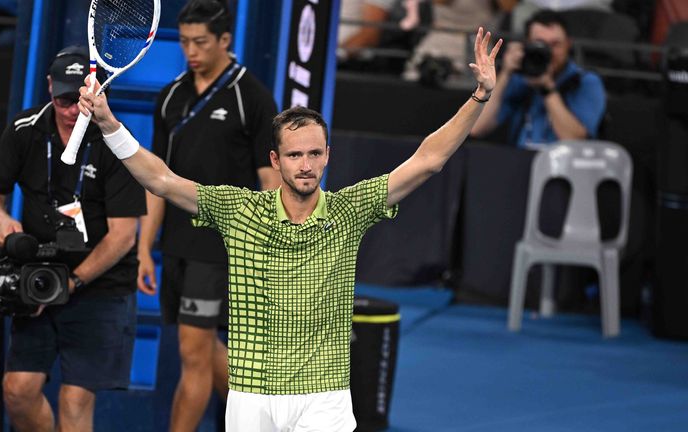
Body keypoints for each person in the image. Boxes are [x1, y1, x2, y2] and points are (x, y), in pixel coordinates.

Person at [83, 26, 500, 432]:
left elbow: (427, 160)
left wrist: (479, 95)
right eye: (295, 154)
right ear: (275, 160)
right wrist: (108, 125)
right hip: (251, 396)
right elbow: (161, 180)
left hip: (325, 396)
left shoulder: (349, 210)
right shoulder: (239, 210)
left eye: (315, 153)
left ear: (327, 156)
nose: (305, 164)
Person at [0, 46, 145, 432]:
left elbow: (122, 237)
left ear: (97, 92)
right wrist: (0, 221)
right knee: (17, 391)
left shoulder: (118, 143)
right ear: (49, 88)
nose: (71, 110)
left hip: (99, 286)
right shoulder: (25, 130)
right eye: (62, 99)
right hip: (39, 280)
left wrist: (72, 282)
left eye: (79, 99)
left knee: (75, 398)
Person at [136, 1, 280, 430]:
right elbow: (158, 182)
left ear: (224, 41)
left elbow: (271, 183)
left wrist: (272, 247)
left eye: (200, 42)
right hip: (176, 246)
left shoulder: (251, 96)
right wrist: (145, 248)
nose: (191, 51)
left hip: (221, 247)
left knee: (192, 353)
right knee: (201, 349)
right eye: (183, 42)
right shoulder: (170, 98)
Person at [471, 9, 606, 147]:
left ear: (568, 45)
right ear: (526, 45)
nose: (548, 52)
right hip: (520, 162)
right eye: (540, 44)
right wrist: (505, 72)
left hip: (566, 165)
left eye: (555, 44)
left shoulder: (585, 82)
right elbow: (477, 127)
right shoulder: (519, 79)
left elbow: (576, 141)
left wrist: (547, 88)